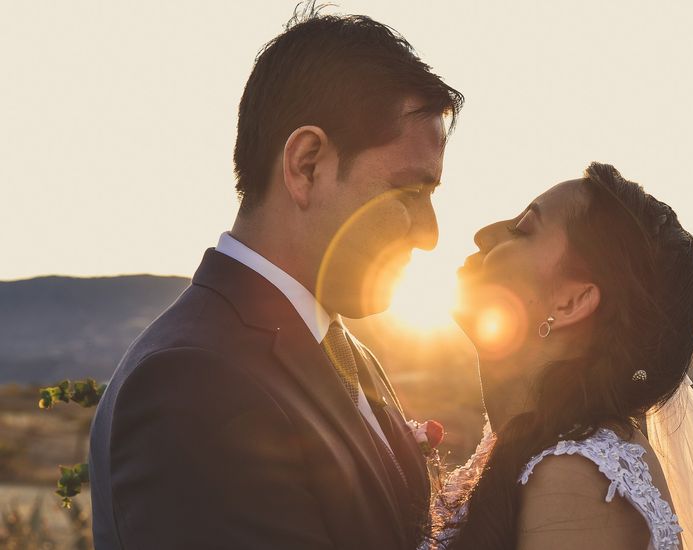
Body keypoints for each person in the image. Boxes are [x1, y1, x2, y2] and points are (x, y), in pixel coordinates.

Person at [87, 4, 463, 549]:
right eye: (409, 192)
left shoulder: (345, 352)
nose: (429, 234)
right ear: (306, 165)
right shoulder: (194, 382)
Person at [433, 163, 693, 549]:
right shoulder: (544, 453)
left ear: (571, 303)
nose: (483, 235)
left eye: (523, 228)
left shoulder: (577, 480)